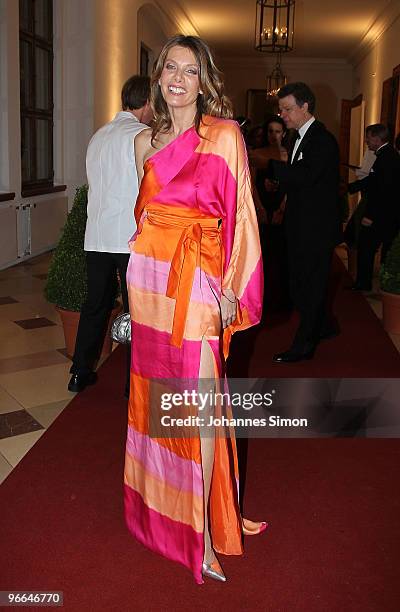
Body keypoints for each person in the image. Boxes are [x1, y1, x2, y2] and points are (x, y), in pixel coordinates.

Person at [123, 35, 265, 584]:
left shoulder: (225, 136)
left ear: (204, 80)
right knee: (157, 400)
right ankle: (160, 514)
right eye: (169, 69)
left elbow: (242, 215)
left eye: (189, 70)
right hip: (151, 280)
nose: (178, 78)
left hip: (202, 276)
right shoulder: (143, 143)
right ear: (158, 77)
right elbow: (145, 219)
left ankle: (200, 531)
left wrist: (231, 286)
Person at [68, 75, 152, 394]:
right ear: (147, 103)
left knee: (95, 305)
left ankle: (79, 371)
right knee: (137, 309)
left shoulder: (98, 135)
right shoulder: (143, 135)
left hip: (98, 235)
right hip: (130, 237)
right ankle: (135, 383)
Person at [270, 82, 342, 363]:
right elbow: (299, 181)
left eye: (287, 109)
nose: (283, 115)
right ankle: (325, 326)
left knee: (308, 286)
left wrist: (268, 164)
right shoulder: (295, 136)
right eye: (281, 110)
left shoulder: (322, 140)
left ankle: (304, 344)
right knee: (300, 283)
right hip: (301, 224)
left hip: (317, 228)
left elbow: (306, 176)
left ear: (305, 107)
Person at [348, 124, 400, 291]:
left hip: (382, 214)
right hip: (385, 214)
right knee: (370, 247)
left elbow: (382, 190)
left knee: (367, 247)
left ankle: (365, 284)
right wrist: (352, 187)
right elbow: (374, 181)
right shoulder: (386, 155)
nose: (366, 141)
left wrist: (370, 215)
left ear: (377, 139)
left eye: (368, 138)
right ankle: (369, 283)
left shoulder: (387, 157)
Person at [249, 116, 290, 311]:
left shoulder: (288, 155)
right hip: (262, 204)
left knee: (281, 253)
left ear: (284, 133)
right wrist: (259, 207)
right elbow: (252, 184)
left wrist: (283, 207)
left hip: (281, 206)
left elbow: (292, 184)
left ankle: (280, 299)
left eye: (278, 131)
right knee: (262, 253)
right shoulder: (257, 154)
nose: (274, 136)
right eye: (270, 131)